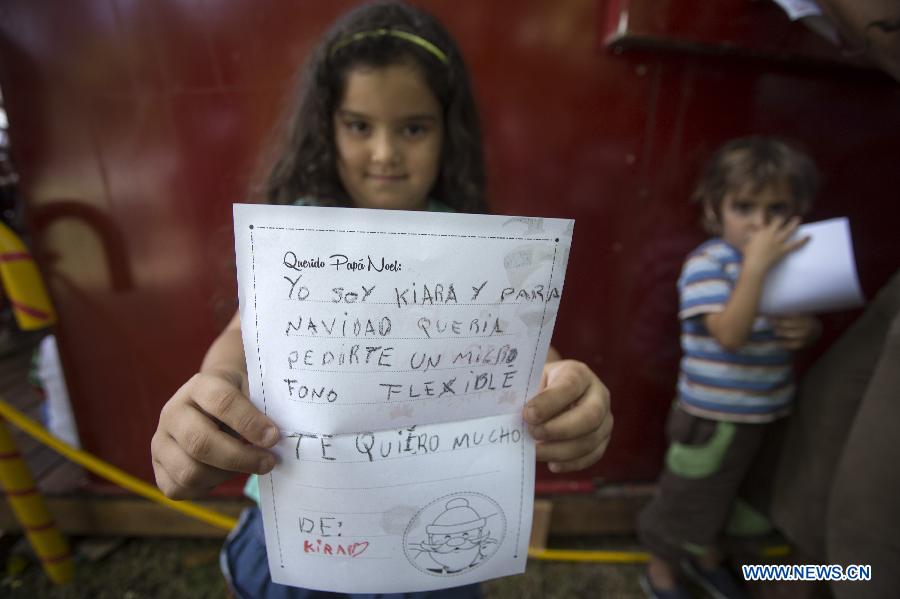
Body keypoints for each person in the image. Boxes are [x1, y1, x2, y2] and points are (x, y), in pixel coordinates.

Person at [150, 2, 613, 598]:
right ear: (328, 126)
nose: (385, 154)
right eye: (360, 125)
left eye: (413, 127)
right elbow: (243, 338)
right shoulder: (303, 236)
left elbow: (529, 357)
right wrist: (213, 400)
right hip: (302, 520)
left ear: (449, 132)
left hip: (433, 525)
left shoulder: (477, 247)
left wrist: (573, 395)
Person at [637, 136, 822, 599]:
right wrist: (756, 269)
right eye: (744, 207)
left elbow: (799, 325)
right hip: (712, 418)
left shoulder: (789, 264)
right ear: (716, 209)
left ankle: (709, 559)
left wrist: (808, 330)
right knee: (688, 500)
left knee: (739, 499)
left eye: (777, 210)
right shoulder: (708, 264)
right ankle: (660, 572)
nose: (761, 224)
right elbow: (730, 334)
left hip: (768, 410)